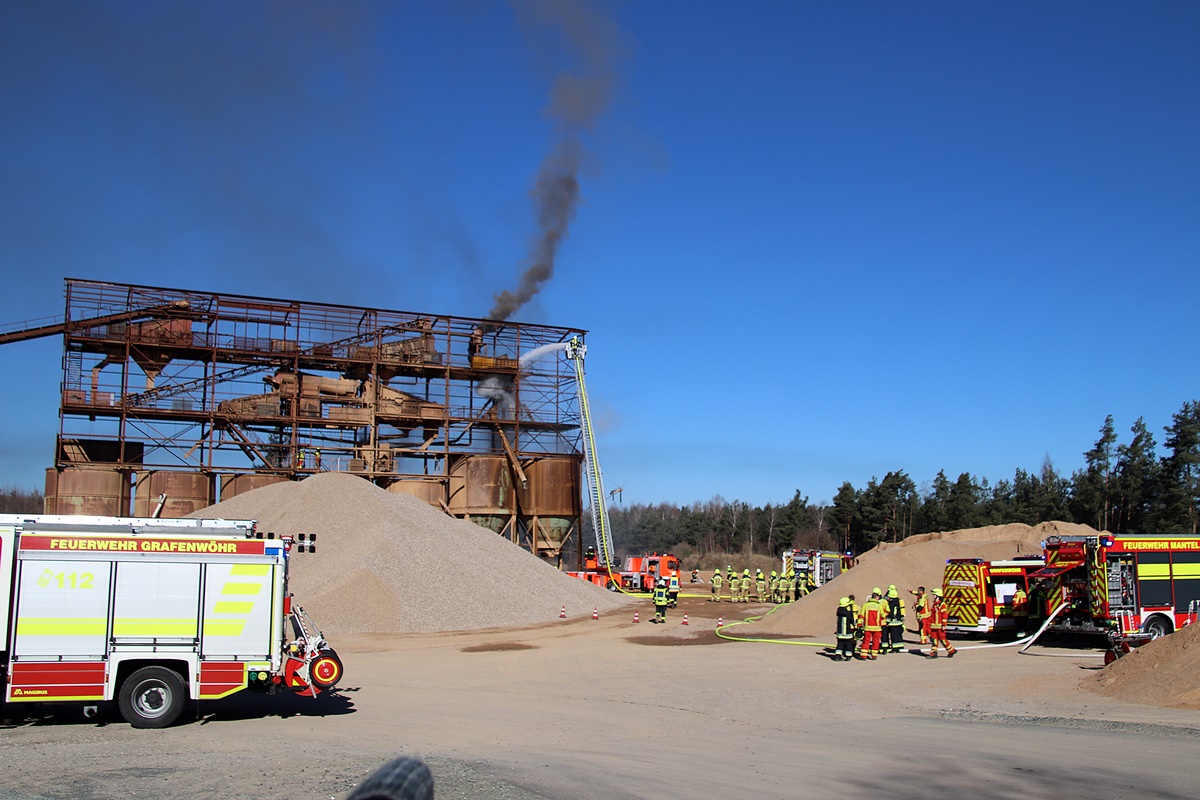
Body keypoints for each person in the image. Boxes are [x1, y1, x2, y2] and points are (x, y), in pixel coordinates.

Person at [858, 588, 887, 660]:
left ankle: (863, 656)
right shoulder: (879, 606)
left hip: (867, 627)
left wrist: (859, 624)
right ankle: (874, 656)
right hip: (877, 627)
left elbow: (861, 616)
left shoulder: (865, 605)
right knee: (876, 641)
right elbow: (883, 615)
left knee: (866, 641)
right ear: (877, 597)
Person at [927, 588, 956, 658]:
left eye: (934, 595)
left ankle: (951, 650)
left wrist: (944, 625)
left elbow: (944, 615)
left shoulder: (942, 605)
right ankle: (933, 653)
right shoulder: (934, 605)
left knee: (943, 640)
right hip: (934, 626)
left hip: (940, 626)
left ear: (937, 596)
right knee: (934, 640)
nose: (933, 596)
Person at [884, 585, 906, 653]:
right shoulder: (899, 601)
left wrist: (887, 621)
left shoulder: (891, 603)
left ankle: (895, 648)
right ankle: (900, 646)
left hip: (893, 622)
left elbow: (892, 613)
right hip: (899, 621)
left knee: (894, 635)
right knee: (898, 634)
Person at [834, 597, 857, 662]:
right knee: (848, 645)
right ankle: (848, 657)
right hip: (847, 632)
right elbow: (852, 621)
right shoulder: (848, 613)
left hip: (840, 632)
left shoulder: (838, 612)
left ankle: (837, 656)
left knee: (840, 644)